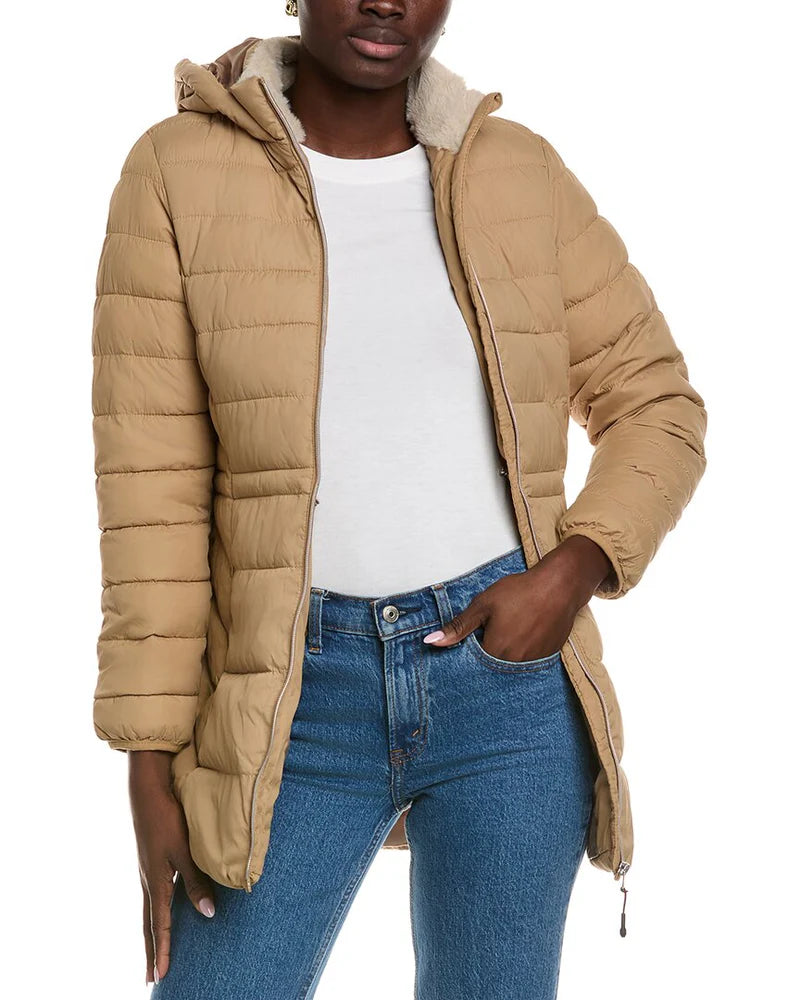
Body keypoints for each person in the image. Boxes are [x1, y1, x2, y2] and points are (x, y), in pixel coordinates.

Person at [90, 3, 708, 998]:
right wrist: (148, 758)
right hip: (287, 694)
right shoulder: (176, 173)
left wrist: (570, 571)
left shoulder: (515, 172)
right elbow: (151, 493)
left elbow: (656, 404)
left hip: (505, 690)